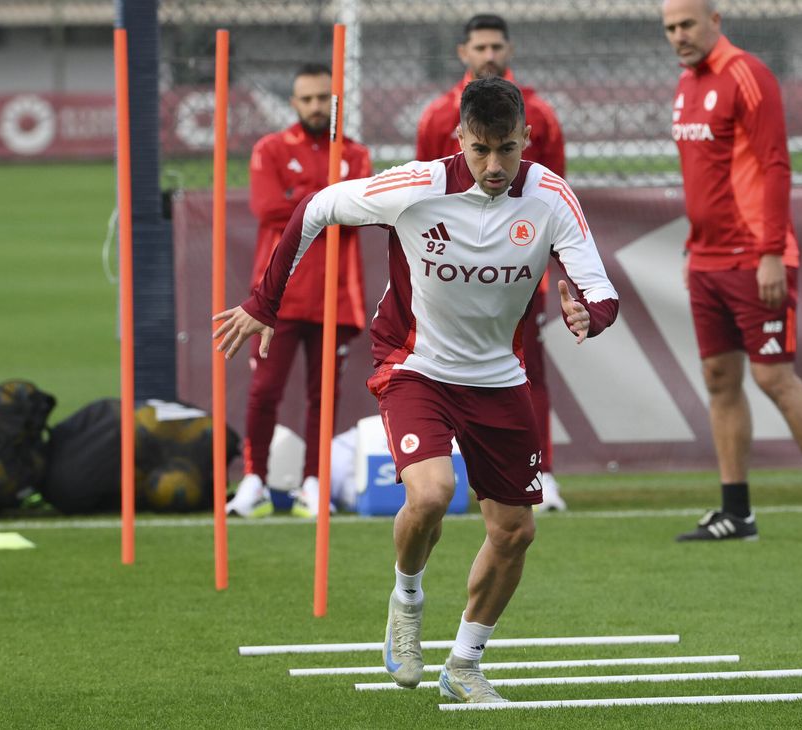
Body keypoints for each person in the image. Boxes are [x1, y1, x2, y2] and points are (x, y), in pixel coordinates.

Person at [213, 78, 619, 703]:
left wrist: (591, 313)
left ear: (526, 141)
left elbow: (601, 289)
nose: (493, 166)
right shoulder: (416, 186)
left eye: (507, 150)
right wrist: (265, 303)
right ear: (459, 138)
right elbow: (315, 208)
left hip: (497, 377)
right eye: (481, 149)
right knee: (431, 494)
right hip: (415, 365)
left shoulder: (550, 196)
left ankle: (463, 664)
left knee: (515, 532)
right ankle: (406, 600)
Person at [662, 0, 802, 542]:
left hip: (756, 257)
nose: (678, 35)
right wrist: (692, 247)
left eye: (686, 24)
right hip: (706, 258)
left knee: (774, 377)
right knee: (719, 380)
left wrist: (772, 251)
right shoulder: (685, 86)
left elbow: (775, 164)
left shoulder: (747, 75)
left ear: (714, 21)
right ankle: (736, 512)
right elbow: (701, 179)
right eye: (670, 28)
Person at [416, 14, 568, 511]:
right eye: (479, 46)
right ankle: (446, 470)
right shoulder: (437, 117)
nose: (488, 55)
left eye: (496, 46)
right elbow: (418, 196)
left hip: (518, 270)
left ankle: (539, 471)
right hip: (453, 273)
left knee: (529, 372)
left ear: (510, 50)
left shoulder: (540, 116)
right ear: (463, 52)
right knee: (443, 371)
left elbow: (557, 196)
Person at [225, 63, 372, 519]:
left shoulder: (356, 155)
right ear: (293, 102)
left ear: (335, 102)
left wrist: (307, 197)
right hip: (278, 295)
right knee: (264, 389)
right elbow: (269, 208)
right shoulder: (270, 148)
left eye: (322, 98)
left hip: (335, 295)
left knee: (322, 395)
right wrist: (325, 198)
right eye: (305, 98)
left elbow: (356, 213)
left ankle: (314, 481)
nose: (314, 106)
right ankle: (254, 480)